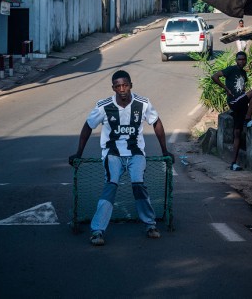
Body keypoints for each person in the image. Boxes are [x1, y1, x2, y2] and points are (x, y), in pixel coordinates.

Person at [69, 70, 174, 246]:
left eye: (125, 85)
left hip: (136, 153)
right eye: (118, 86)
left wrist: (165, 150)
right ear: (113, 88)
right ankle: (97, 231)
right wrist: (79, 153)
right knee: (111, 186)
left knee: (138, 185)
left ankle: (150, 224)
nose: (122, 89)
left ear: (131, 85)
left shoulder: (143, 103)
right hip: (112, 154)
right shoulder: (104, 106)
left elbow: (156, 122)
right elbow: (88, 126)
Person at [211, 51, 252, 171]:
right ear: (236, 60)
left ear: (246, 60)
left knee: (237, 133)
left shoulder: (243, 73)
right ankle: (248, 119)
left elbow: (242, 88)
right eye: (239, 59)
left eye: (243, 59)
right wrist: (226, 88)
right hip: (234, 101)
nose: (241, 61)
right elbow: (215, 76)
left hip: (241, 104)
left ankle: (233, 163)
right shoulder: (231, 69)